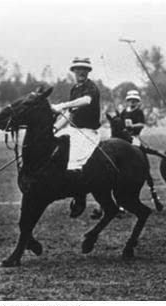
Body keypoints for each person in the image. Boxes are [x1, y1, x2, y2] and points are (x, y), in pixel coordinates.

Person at [52, 57, 101, 218]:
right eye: (78, 69)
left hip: (87, 132)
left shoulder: (91, 87)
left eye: (84, 69)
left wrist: (63, 105)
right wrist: (55, 128)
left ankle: (80, 196)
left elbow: (85, 101)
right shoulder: (74, 89)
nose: (81, 72)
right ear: (73, 72)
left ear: (88, 72)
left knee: (74, 162)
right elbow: (70, 114)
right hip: (73, 130)